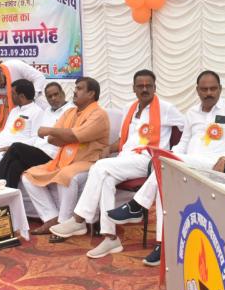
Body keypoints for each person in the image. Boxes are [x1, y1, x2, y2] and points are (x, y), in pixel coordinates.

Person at [107, 70, 225, 265]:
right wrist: (170, 156)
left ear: (220, 89)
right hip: (188, 164)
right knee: (162, 181)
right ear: (197, 90)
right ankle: (162, 245)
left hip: (213, 166)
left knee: (164, 165)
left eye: (213, 89)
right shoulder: (192, 113)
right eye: (204, 89)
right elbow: (183, 142)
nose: (209, 93)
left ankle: (137, 205)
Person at [49, 69, 184, 259]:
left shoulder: (167, 108)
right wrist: (109, 148)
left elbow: (186, 129)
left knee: (99, 167)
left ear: (155, 87)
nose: (144, 89)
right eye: (140, 86)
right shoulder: (129, 108)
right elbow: (124, 139)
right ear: (133, 88)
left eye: (149, 86)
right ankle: (110, 237)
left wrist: (172, 152)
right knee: (105, 180)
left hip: (147, 159)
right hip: (125, 157)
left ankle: (79, 218)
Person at [21, 77, 110, 236]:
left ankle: (65, 222)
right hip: (63, 161)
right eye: (75, 88)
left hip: (88, 162)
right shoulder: (69, 112)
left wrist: (51, 130)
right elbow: (53, 140)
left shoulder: (98, 114)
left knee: (67, 176)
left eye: (79, 88)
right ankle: (51, 217)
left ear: (91, 94)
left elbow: (71, 135)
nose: (75, 91)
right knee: (28, 177)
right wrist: (65, 135)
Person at [0, 82, 73, 186]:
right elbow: (37, 137)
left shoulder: (71, 110)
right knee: (15, 165)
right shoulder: (47, 111)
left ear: (63, 93)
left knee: (16, 147)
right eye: (49, 96)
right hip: (38, 150)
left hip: (52, 155)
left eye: (56, 94)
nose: (53, 98)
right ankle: (5, 194)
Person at [0, 60, 48, 133]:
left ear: (1, 71)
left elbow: (39, 77)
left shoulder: (15, 66)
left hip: (34, 101)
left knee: (42, 126)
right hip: (12, 109)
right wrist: (3, 101)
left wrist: (32, 97)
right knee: (15, 132)